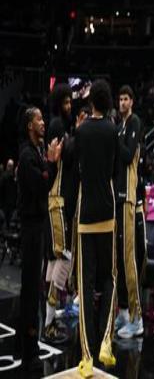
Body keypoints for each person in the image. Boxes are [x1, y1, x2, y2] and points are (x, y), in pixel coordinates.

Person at [75, 80, 119, 377]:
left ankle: (87, 357)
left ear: (91, 102)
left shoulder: (81, 132)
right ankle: (106, 342)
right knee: (110, 277)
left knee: (86, 283)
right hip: (108, 210)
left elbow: (76, 166)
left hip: (86, 213)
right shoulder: (113, 131)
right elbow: (115, 170)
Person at [16, 107, 62, 374]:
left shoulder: (35, 151)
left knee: (32, 286)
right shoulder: (27, 155)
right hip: (31, 227)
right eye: (39, 119)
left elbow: (46, 179)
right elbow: (44, 185)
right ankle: (29, 348)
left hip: (36, 226)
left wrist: (50, 165)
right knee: (31, 288)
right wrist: (52, 164)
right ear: (29, 126)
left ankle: (23, 343)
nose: (43, 123)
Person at [44, 83, 77, 345]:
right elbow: (57, 158)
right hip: (59, 200)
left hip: (60, 199)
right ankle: (48, 323)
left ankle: (48, 320)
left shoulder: (61, 125)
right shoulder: (57, 125)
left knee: (55, 260)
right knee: (64, 258)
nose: (69, 106)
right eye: (65, 102)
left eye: (70, 101)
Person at [114, 85, 144, 339]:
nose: (122, 102)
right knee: (117, 259)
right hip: (117, 195)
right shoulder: (120, 126)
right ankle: (123, 311)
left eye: (126, 98)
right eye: (120, 99)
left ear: (131, 101)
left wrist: (113, 137)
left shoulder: (134, 122)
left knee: (128, 257)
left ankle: (138, 317)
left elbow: (125, 155)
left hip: (129, 197)